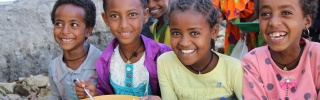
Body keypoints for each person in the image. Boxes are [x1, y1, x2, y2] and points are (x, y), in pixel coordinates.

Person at [75, 0, 171, 99]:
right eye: (114, 16)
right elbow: (107, 94)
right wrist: (95, 94)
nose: (124, 25)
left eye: (132, 14)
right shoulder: (105, 62)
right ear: (105, 19)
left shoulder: (163, 55)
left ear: (145, 15)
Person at [157, 0, 243, 99]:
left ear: (214, 32)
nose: (184, 43)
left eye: (194, 33)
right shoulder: (165, 62)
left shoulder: (233, 68)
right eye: (176, 33)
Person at [242, 0, 319, 99]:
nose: (273, 23)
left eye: (286, 13)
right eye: (265, 14)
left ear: (307, 21)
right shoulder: (253, 61)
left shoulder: (317, 57)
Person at [48, 0, 101, 99]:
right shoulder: (53, 67)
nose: (65, 31)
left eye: (74, 25)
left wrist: (97, 94)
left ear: (88, 31)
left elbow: (113, 94)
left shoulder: (102, 62)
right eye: (59, 24)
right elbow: (56, 96)